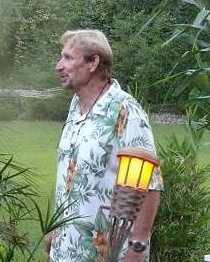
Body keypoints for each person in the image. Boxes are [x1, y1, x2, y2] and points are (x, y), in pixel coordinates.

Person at [45, 29, 163, 262]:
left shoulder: (124, 110)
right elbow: (70, 176)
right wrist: (56, 229)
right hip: (66, 251)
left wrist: (137, 248)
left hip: (106, 253)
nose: (59, 66)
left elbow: (149, 184)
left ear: (93, 63)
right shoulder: (76, 106)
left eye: (67, 58)